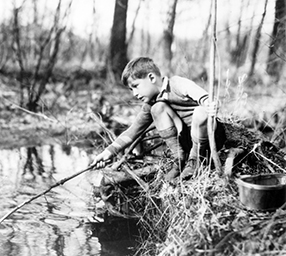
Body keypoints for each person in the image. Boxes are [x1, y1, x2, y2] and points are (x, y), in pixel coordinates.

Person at [91, 57, 226, 180]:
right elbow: (133, 131)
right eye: (131, 90)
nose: (135, 94)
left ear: (151, 77)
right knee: (157, 108)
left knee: (201, 112)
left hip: (210, 136)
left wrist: (211, 105)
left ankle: (195, 160)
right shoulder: (150, 104)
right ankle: (179, 159)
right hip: (188, 140)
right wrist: (108, 152)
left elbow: (206, 99)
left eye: (136, 86)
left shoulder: (177, 84)